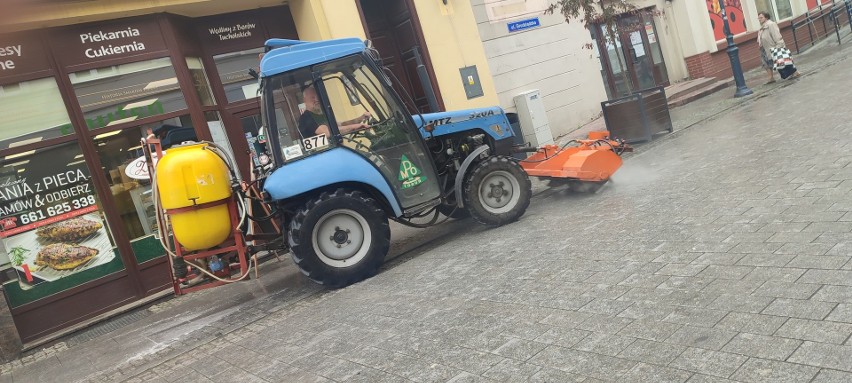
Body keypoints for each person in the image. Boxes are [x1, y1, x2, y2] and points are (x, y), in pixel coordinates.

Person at [298, 85, 371, 139]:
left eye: (317, 97)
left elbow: (339, 125)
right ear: (305, 100)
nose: (316, 99)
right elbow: (327, 133)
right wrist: (355, 127)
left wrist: (360, 118)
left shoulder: (322, 114)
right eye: (312, 97)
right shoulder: (305, 118)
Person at [757, 11, 800, 84]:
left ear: (766, 17)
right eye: (758, 18)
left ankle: (795, 72)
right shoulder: (763, 27)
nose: (759, 19)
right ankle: (772, 78)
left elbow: (777, 36)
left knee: (781, 61)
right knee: (772, 63)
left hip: (773, 47)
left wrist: (779, 46)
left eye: (761, 17)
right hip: (766, 49)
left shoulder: (771, 25)